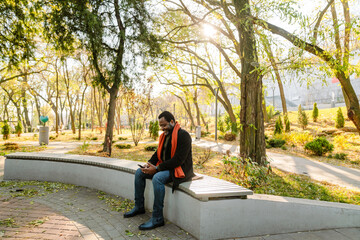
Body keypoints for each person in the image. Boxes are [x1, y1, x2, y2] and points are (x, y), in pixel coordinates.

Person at [124, 111, 195, 230]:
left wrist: (157, 169)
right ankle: (139, 207)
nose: (162, 128)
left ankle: (157, 218)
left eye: (164, 125)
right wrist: (149, 165)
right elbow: (158, 153)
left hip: (179, 170)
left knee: (157, 178)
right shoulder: (165, 136)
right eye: (161, 126)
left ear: (172, 122)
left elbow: (179, 160)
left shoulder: (183, 135)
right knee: (139, 172)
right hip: (165, 167)